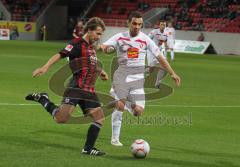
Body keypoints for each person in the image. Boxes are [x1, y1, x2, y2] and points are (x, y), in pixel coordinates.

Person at [25, 17, 108, 156]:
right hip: (76, 87)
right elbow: (60, 54)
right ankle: (42, 98)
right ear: (89, 30)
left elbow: (91, 62)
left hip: (89, 89)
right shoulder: (76, 43)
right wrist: (45, 67)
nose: (99, 37)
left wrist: (101, 72)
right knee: (61, 119)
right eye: (98, 33)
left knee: (99, 117)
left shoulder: (91, 48)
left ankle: (88, 148)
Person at [101, 11, 181, 146]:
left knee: (138, 112)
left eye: (139, 24)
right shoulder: (120, 37)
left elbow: (160, 57)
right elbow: (106, 48)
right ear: (128, 23)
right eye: (134, 23)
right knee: (120, 104)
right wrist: (106, 49)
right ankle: (115, 138)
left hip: (138, 79)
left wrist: (172, 73)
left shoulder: (145, 39)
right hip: (122, 75)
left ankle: (117, 98)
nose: (137, 26)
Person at [148, 20, 168, 88]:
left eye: (164, 25)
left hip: (159, 52)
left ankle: (157, 83)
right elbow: (147, 39)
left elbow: (165, 41)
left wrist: (166, 47)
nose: (163, 26)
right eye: (162, 24)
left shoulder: (166, 33)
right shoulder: (154, 32)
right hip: (151, 52)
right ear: (159, 25)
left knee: (164, 67)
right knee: (151, 69)